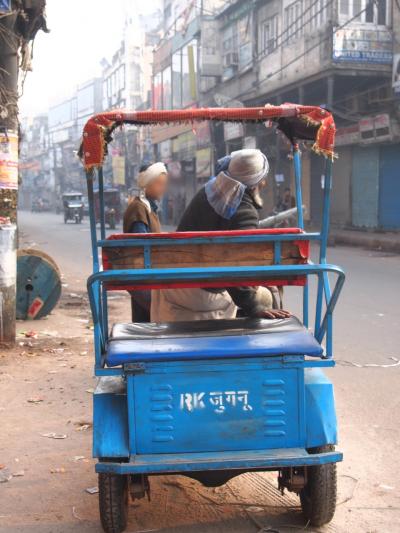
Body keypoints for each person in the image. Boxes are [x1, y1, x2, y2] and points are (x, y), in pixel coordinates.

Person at [151, 149, 290, 322]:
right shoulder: (245, 212)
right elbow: (236, 270)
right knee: (268, 295)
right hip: (200, 294)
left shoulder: (207, 191)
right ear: (255, 183)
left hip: (174, 284)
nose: (264, 183)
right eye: (262, 179)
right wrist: (254, 307)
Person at [123, 162, 168, 321]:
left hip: (150, 274)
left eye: (164, 184)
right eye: (158, 184)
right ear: (147, 184)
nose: (162, 188)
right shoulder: (138, 208)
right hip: (143, 275)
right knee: (147, 320)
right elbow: (141, 244)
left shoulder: (149, 207)